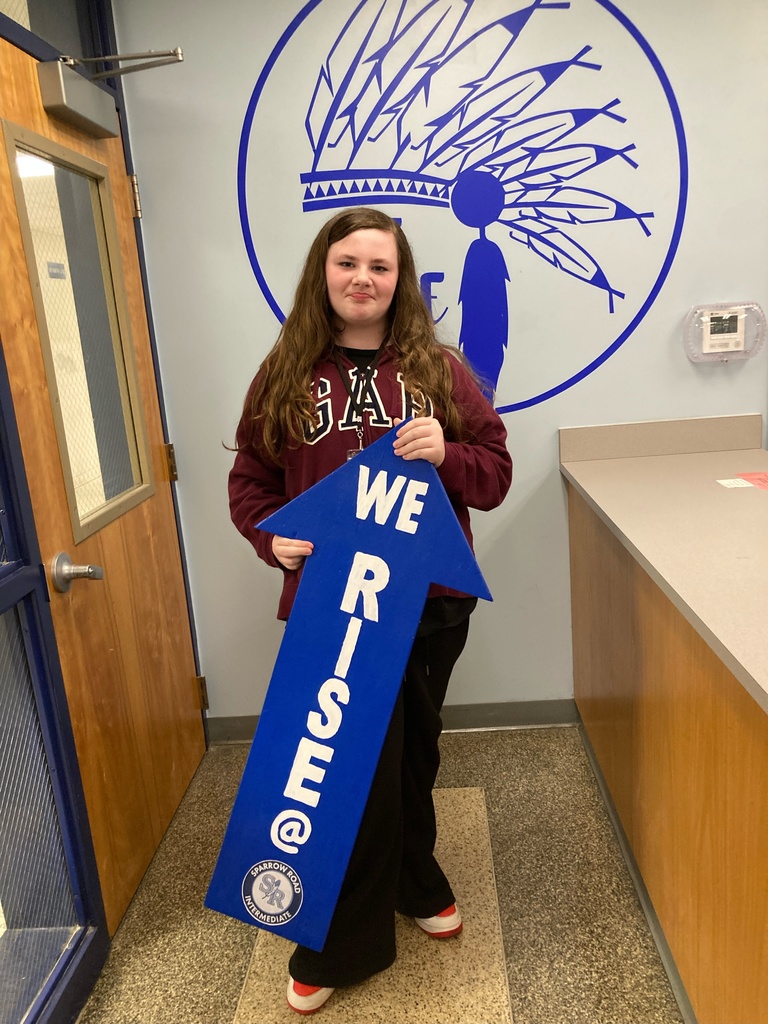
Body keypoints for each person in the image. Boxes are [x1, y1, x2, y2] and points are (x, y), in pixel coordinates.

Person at [229, 207, 512, 1015]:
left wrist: (448, 455)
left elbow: (493, 472)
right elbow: (250, 480)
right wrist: (269, 540)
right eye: (347, 262)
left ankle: (416, 878)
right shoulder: (285, 371)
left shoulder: (441, 370)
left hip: (430, 606)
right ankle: (340, 939)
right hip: (332, 611)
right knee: (344, 774)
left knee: (414, 756)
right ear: (324, 272)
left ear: (399, 278)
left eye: (379, 267)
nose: (363, 278)